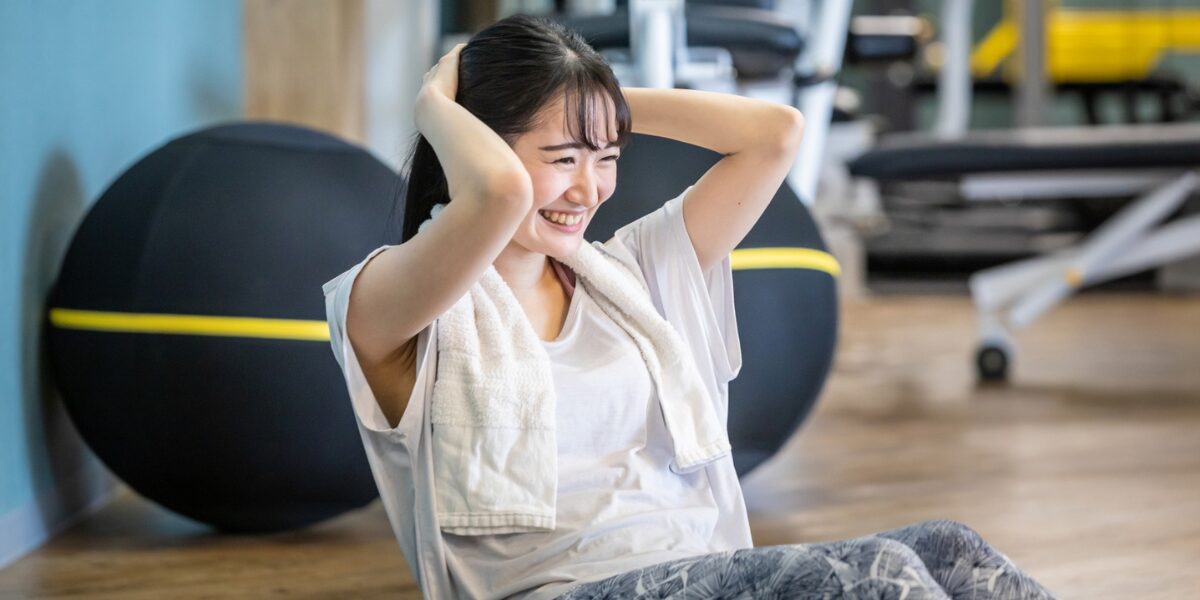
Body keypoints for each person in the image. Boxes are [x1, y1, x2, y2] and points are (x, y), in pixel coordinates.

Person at [321, 14, 1058, 600]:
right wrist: (436, 105)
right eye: (563, 158)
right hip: (566, 590)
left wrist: (590, 102)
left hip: (698, 568)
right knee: (876, 579)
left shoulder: (630, 273)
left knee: (951, 550)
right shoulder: (393, 304)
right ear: (477, 147)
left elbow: (775, 135)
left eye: (606, 159)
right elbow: (498, 196)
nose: (590, 190)